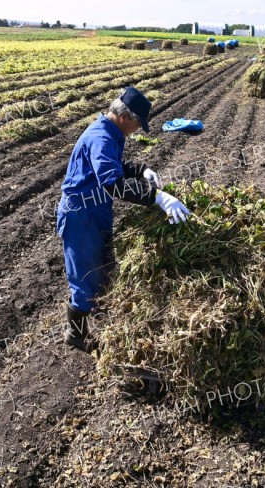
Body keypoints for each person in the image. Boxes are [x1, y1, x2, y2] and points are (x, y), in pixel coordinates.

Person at [56, 86, 190, 352]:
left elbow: (113, 166)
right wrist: (158, 198)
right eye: (139, 123)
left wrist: (141, 170)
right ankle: (77, 335)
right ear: (125, 116)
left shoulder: (110, 132)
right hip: (80, 215)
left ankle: (100, 317)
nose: (138, 129)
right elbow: (112, 183)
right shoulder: (101, 137)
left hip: (95, 211)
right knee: (85, 276)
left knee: (103, 267)